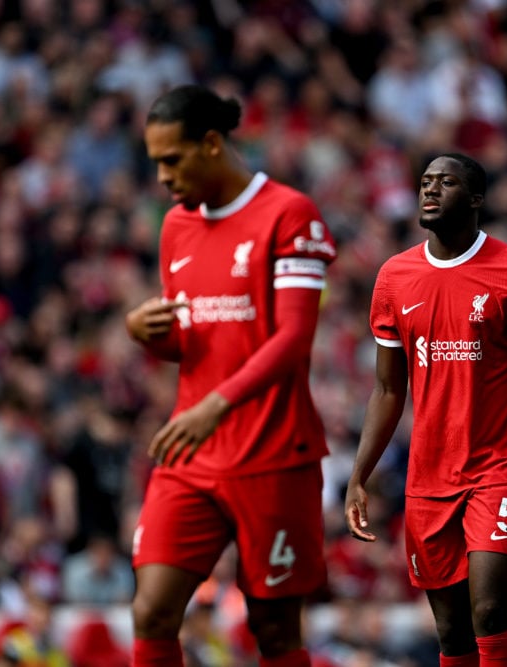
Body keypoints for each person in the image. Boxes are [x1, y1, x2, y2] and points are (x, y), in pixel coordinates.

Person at [125, 84, 337, 666]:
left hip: (272, 452)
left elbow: (292, 339)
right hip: (193, 451)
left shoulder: (289, 214)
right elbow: (195, 341)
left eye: (173, 159)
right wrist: (146, 332)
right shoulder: (175, 227)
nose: (164, 177)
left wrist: (215, 405)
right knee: (152, 611)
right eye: (155, 163)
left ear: (212, 144)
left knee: (273, 629)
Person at [345, 153, 507, 667]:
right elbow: (387, 390)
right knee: (451, 631)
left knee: (489, 612)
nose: (430, 190)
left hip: (500, 469)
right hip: (428, 478)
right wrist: (360, 473)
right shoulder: (394, 278)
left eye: (445, 182)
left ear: (475, 198)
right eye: (425, 181)